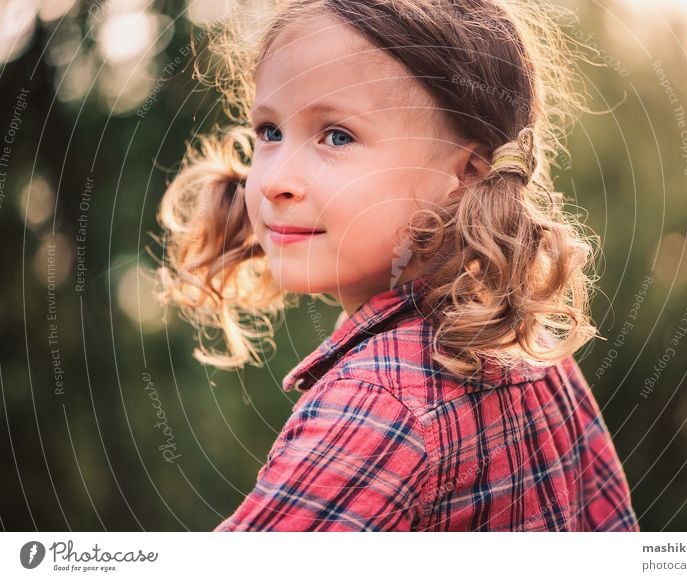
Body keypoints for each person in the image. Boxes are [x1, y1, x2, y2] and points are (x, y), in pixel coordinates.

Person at [155, 0, 639, 532]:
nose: (273, 181)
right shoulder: (534, 350)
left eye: (337, 135)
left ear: (468, 172)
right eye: (269, 131)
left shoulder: (374, 407)